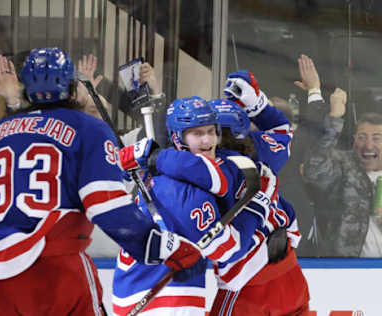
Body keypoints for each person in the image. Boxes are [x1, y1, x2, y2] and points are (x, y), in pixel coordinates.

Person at [0, 47, 202, 316]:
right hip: (56, 275)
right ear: (71, 87)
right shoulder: (88, 128)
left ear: (24, 89)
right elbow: (109, 211)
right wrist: (170, 249)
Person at [122, 72, 310, 315]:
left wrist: (153, 156)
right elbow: (282, 132)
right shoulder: (262, 151)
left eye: (210, 131)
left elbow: (187, 165)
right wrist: (258, 104)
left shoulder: (211, 167)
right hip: (291, 277)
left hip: (248, 284)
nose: (208, 139)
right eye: (199, 132)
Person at [293, 54, 376, 257]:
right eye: (362, 136)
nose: (369, 144)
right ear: (354, 140)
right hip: (344, 270)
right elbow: (314, 168)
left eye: (378, 138)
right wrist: (335, 119)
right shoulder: (344, 163)